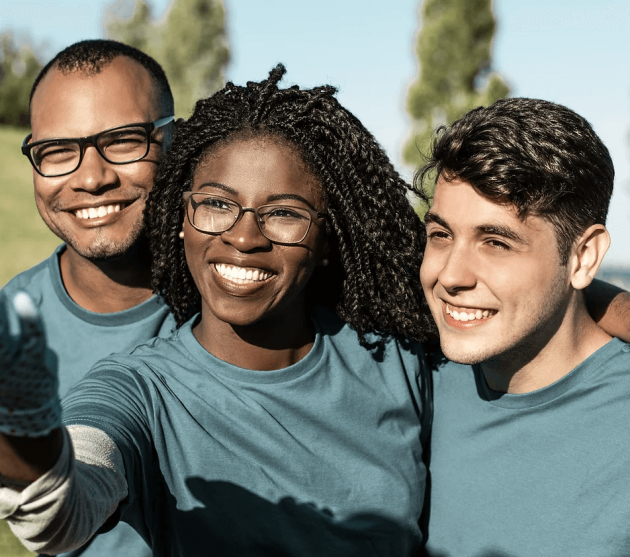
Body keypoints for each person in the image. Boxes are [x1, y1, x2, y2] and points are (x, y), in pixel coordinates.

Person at [0, 65, 435, 556]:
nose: (244, 238)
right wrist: (28, 442)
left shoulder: (394, 356)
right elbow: (64, 511)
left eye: (284, 213)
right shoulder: (139, 389)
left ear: (329, 237)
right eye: (216, 205)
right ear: (181, 218)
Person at [417, 98, 630, 556]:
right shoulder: (414, 380)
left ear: (584, 256)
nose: (451, 276)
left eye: (496, 242)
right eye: (440, 234)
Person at [1, 40, 177, 557]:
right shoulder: (14, 333)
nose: (92, 177)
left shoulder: (242, 284)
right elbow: (50, 517)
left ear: (175, 138)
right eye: (57, 152)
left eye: (122, 141)